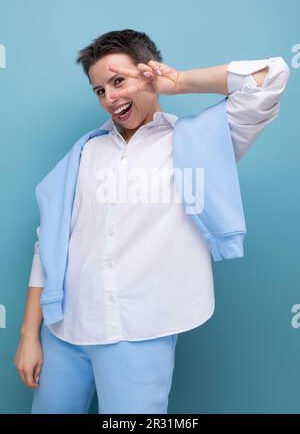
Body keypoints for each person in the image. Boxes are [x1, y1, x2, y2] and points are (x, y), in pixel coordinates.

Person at [14, 29, 290, 414]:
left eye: (118, 81)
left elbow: (271, 76)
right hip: (64, 329)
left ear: (149, 74)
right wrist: (30, 334)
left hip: (139, 332)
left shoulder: (199, 140)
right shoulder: (85, 153)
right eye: (99, 90)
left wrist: (179, 82)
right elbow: (50, 243)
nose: (109, 97)